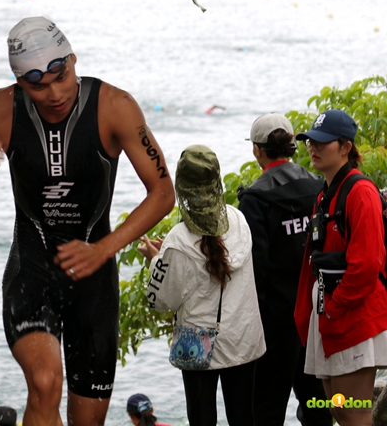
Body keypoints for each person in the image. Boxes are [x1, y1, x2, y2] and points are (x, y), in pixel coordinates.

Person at [0, 16, 175, 425]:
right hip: (31, 271)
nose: (54, 93)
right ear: (19, 82)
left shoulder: (114, 106)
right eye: (38, 86)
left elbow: (163, 193)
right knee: (45, 381)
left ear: (72, 60)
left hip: (94, 283)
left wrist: (102, 249)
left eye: (61, 76)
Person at [141, 145, 266, 426]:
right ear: (217, 182)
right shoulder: (238, 220)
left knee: (201, 419)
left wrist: (157, 260)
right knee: (244, 417)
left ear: (182, 187)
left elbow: (159, 300)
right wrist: (168, 257)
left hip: (199, 347)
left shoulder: (178, 240)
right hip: (243, 340)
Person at [237, 113, 332, 426]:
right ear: (293, 146)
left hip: (277, 322)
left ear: (257, 150)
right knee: (318, 403)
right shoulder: (318, 185)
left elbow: (257, 267)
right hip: (318, 313)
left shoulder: (255, 197)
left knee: (266, 408)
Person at [294, 109, 387, 426]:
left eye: (322, 142)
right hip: (331, 312)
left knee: (354, 411)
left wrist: (335, 307)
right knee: (336, 408)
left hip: (354, 314)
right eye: (310, 142)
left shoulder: (360, 192)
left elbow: (367, 264)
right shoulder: (324, 194)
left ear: (346, 147)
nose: (313, 148)